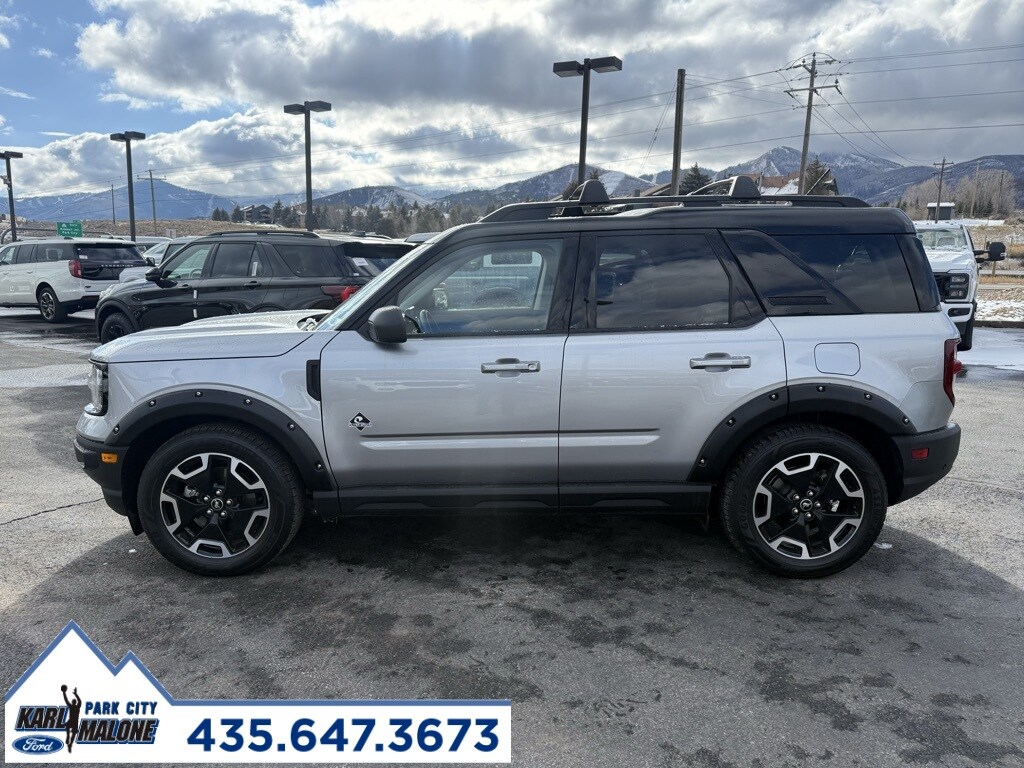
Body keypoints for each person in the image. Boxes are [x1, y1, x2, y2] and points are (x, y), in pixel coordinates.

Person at [61, 684, 82, 753]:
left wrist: (64, 693)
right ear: (74, 702)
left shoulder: (73, 706)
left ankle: (69, 741)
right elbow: (79, 701)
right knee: (72, 733)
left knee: (70, 729)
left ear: (74, 702)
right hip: (74, 722)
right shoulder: (76, 706)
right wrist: (75, 694)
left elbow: (66, 700)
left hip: (72, 721)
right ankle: (69, 739)